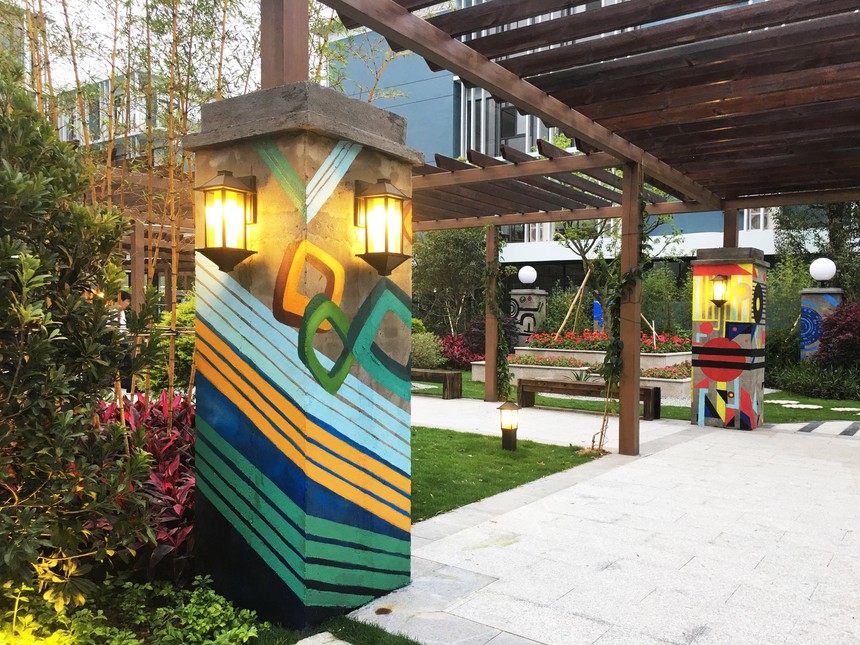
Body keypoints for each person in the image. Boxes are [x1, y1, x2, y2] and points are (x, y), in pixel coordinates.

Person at [115, 291, 133, 390]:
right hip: (116, 341)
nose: (128, 304)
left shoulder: (121, 312)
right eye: (127, 301)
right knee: (126, 363)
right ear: (120, 300)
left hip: (122, 340)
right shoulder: (113, 310)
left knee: (127, 363)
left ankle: (127, 384)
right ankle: (127, 384)